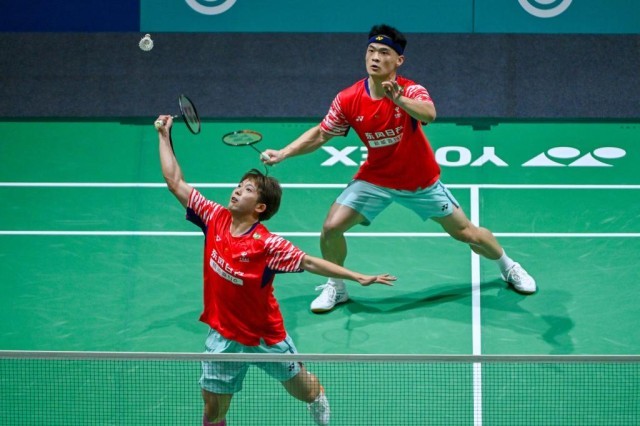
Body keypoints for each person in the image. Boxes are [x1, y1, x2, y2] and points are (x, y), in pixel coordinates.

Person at [261, 23, 536, 314]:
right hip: (376, 179)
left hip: (420, 182)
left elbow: (430, 113)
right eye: (371, 51)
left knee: (467, 233)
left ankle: (508, 266)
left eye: (384, 52)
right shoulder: (348, 99)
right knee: (331, 228)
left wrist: (399, 100)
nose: (375, 57)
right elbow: (321, 134)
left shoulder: (411, 89)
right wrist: (284, 153)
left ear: (398, 60)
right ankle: (336, 286)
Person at [156, 114, 396, 426]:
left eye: (247, 190)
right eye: (239, 186)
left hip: (265, 336)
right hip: (223, 334)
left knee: (305, 391)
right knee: (213, 410)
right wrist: (164, 135)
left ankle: (319, 402)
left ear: (260, 208)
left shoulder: (268, 245)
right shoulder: (214, 217)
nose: (237, 191)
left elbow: (308, 261)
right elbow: (175, 182)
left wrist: (356, 276)